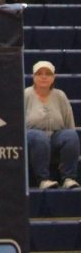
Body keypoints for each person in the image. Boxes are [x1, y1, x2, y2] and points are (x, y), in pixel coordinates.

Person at [24, 60, 79, 190]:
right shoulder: (25, 95)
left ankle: (68, 178)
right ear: (34, 77)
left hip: (54, 140)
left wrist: (72, 142)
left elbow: (68, 123)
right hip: (31, 141)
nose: (44, 77)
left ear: (53, 77)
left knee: (71, 135)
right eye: (39, 73)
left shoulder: (60, 96)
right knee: (39, 136)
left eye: (48, 74)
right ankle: (43, 179)